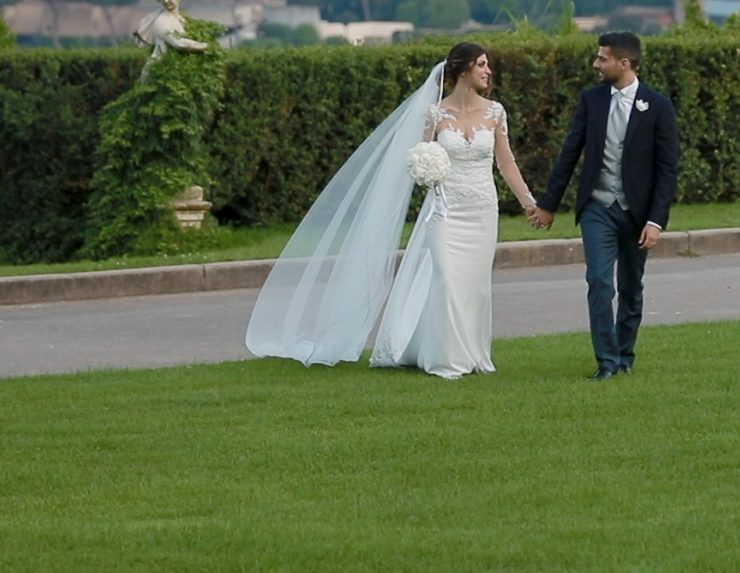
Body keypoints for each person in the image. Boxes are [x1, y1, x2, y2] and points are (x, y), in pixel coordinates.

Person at [246, 43, 538, 379]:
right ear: (462, 70)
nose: (489, 71)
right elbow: (420, 157)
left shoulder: (496, 112)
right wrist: (425, 173)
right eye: (482, 65)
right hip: (445, 212)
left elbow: (506, 162)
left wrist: (529, 203)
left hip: (483, 211)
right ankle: (447, 360)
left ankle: (473, 354)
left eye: (488, 65)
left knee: (474, 287)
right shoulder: (434, 115)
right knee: (446, 280)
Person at [530, 32, 680, 379]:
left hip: (638, 212)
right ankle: (607, 363)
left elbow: (667, 169)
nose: (596, 65)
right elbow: (570, 152)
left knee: (631, 286)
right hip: (598, 207)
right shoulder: (591, 100)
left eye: (602, 59)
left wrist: (656, 221)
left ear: (623, 64)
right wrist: (549, 204)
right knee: (599, 281)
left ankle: (625, 354)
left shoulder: (657, 106)